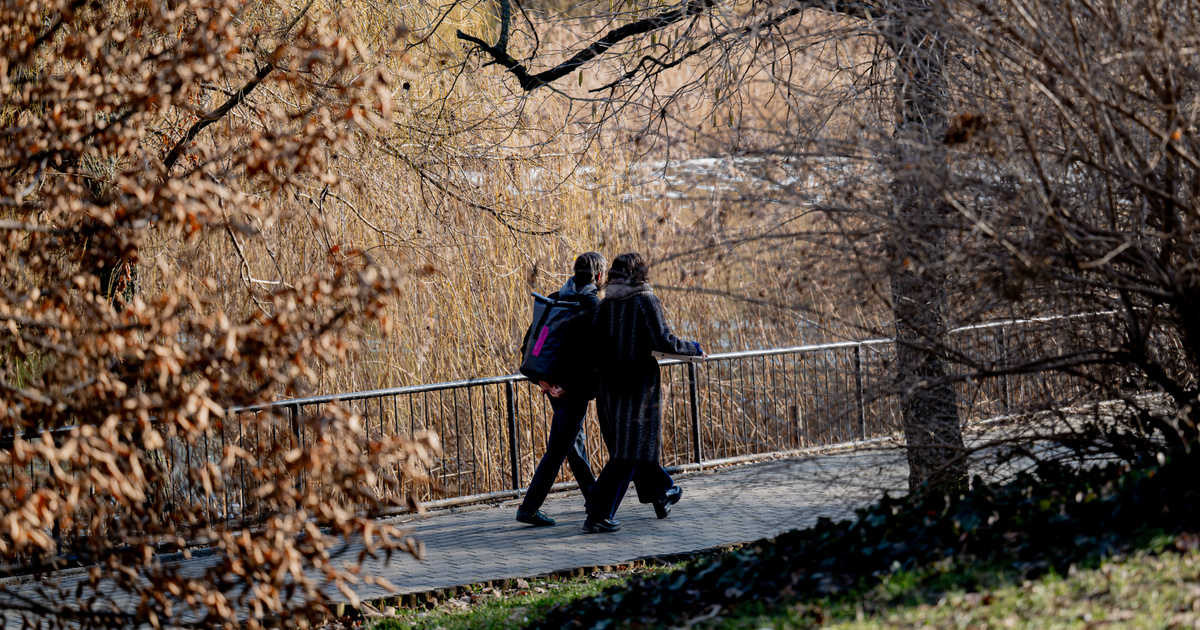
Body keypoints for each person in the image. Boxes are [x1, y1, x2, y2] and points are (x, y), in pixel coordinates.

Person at [583, 252, 705, 533]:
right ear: (641, 274)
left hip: (609, 388)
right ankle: (598, 513)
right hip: (638, 388)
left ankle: (663, 492)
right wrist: (694, 348)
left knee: (632, 449)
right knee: (628, 453)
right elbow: (664, 340)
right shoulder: (644, 301)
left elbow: (594, 351)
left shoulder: (604, 307)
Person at [515, 252, 607, 527]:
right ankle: (529, 508)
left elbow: (531, 344)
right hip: (571, 391)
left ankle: (595, 500)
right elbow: (591, 358)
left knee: (573, 444)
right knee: (557, 449)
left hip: (552, 388)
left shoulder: (554, 298)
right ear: (599, 276)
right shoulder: (594, 306)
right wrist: (567, 387)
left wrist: (543, 381)